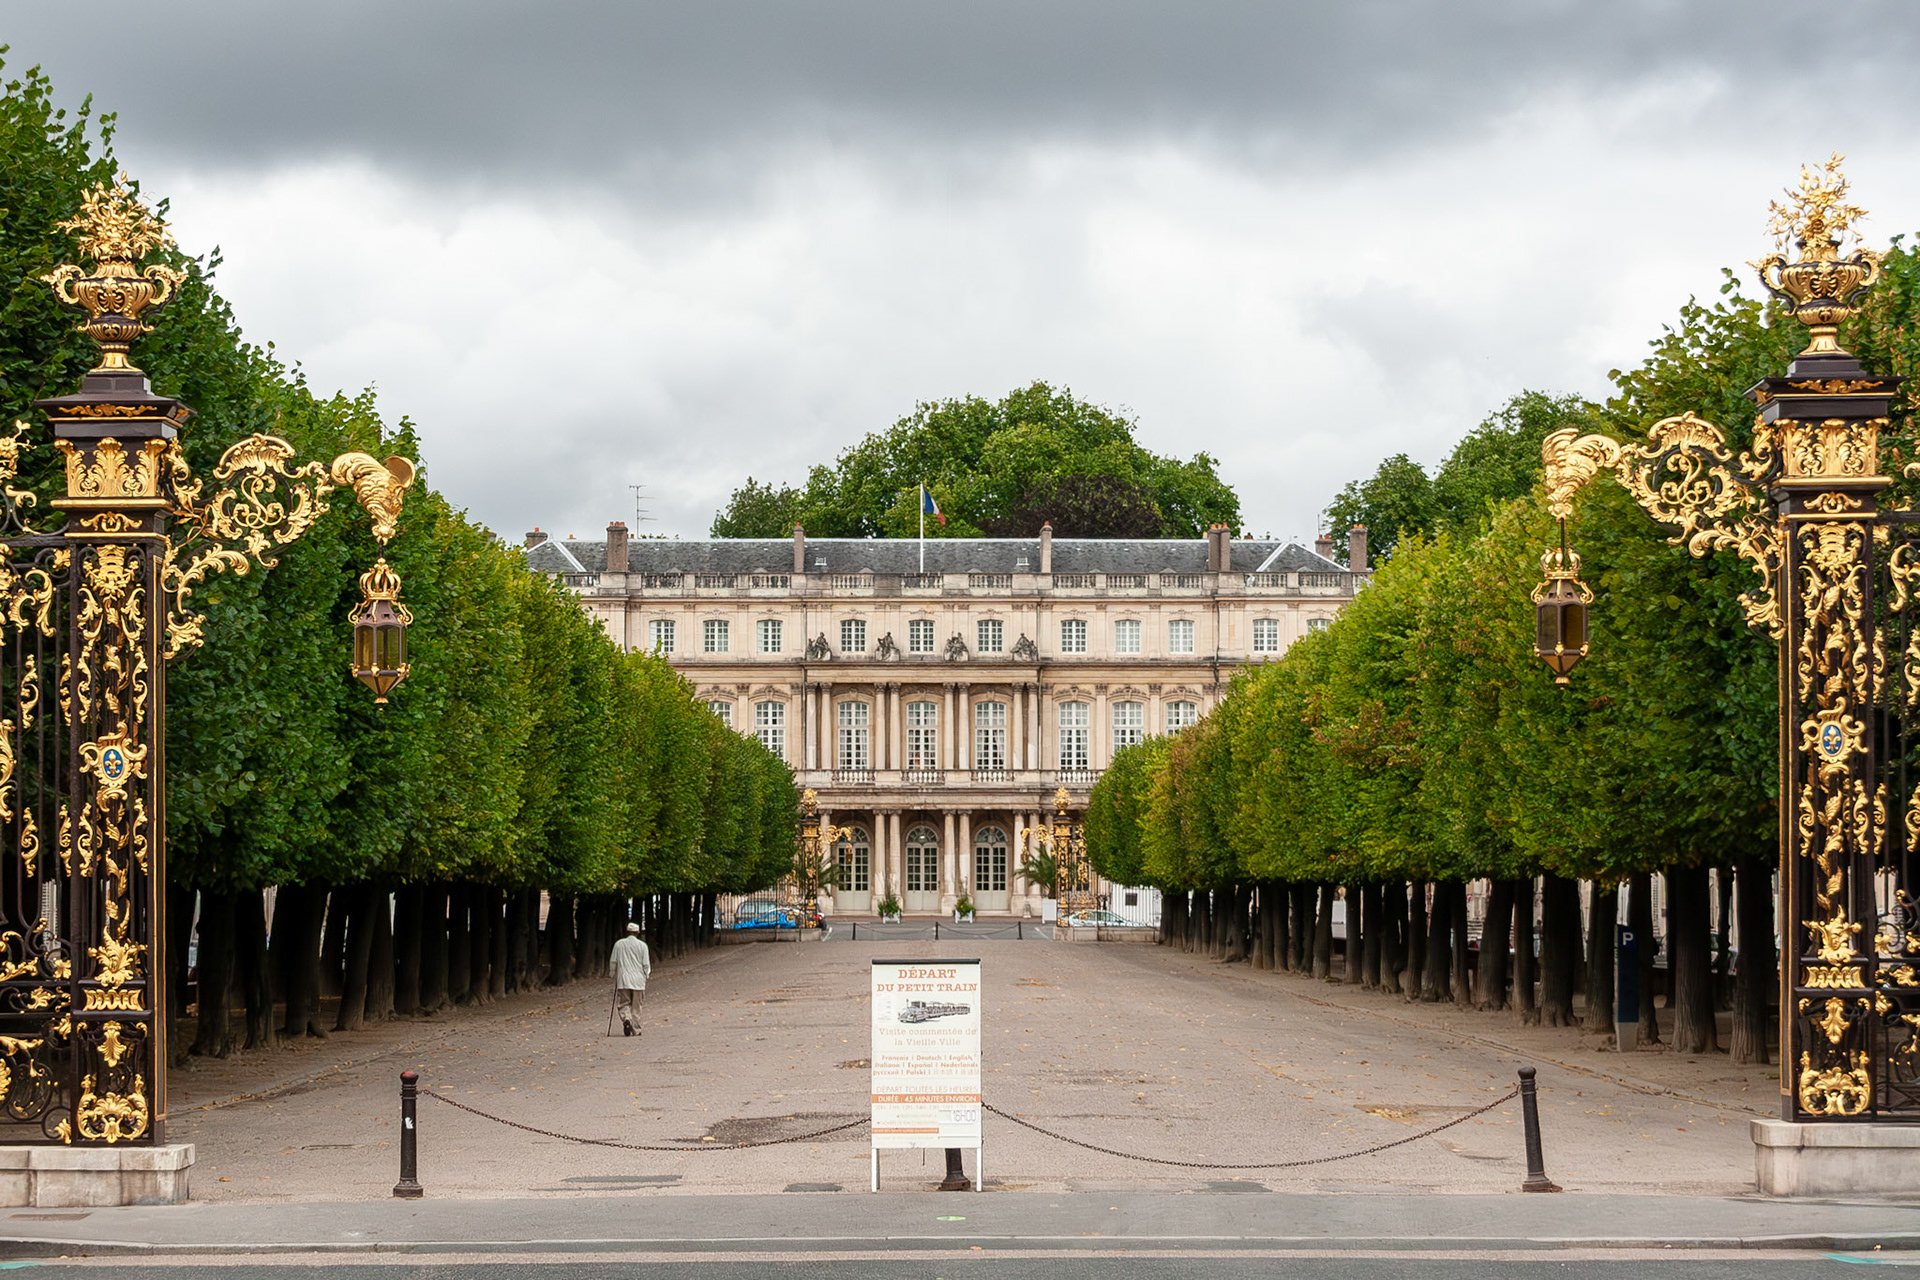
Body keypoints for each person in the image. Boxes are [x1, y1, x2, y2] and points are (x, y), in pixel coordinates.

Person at [610, 921, 652, 1036]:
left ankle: (626, 1019)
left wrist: (612, 973)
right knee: (637, 1005)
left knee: (624, 1003)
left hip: (623, 979)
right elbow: (646, 964)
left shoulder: (619, 944)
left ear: (627, 932)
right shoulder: (642, 946)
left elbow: (613, 961)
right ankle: (636, 1029)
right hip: (638, 980)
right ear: (637, 933)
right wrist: (646, 974)